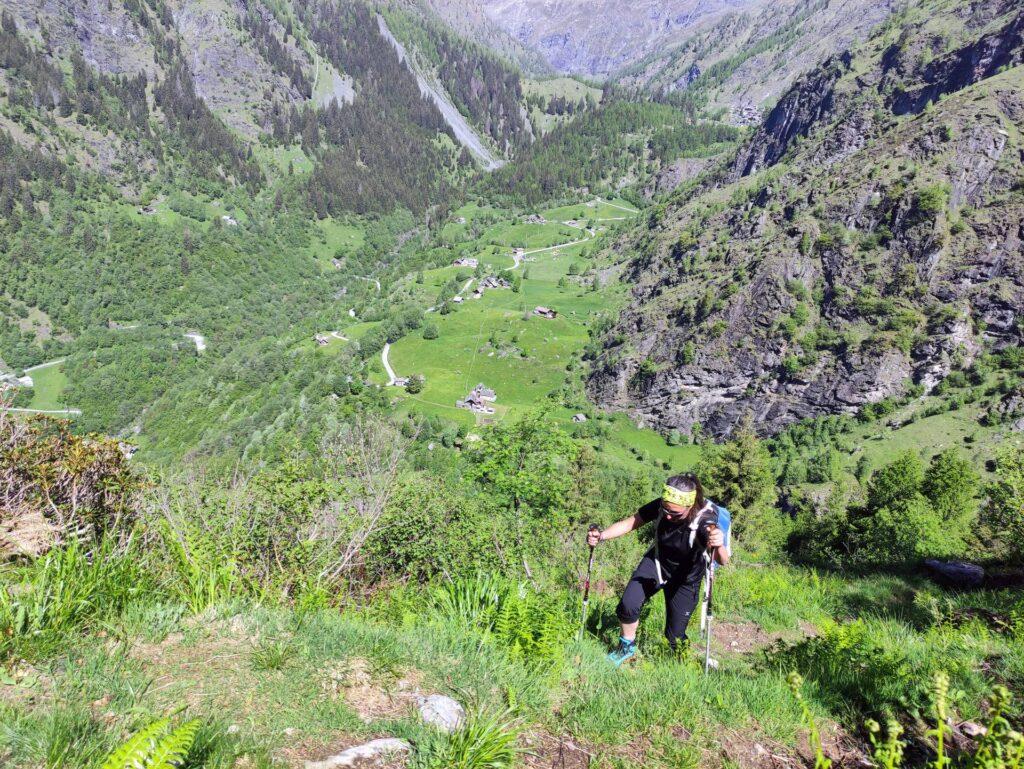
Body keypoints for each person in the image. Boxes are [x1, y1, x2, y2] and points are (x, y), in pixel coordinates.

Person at [587, 472, 730, 666]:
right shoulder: (664, 505)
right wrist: (601, 536)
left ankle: (684, 662)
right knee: (628, 605)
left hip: (686, 578)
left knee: (674, 638)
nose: (669, 516)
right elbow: (632, 522)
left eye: (676, 514)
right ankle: (626, 648)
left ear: (690, 505)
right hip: (657, 563)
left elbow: (723, 561)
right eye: (666, 510)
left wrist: (719, 544)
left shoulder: (705, 520)